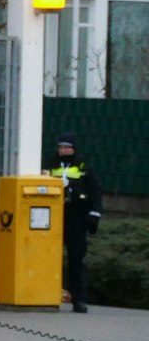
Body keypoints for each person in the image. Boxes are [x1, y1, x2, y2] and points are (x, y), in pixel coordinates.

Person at [50, 131, 104, 314]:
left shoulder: (83, 166)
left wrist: (94, 214)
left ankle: (79, 299)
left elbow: (95, 191)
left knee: (76, 259)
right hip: (55, 216)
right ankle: (48, 295)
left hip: (77, 216)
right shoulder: (51, 164)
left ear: (74, 149)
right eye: (60, 147)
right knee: (50, 256)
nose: (63, 150)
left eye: (66, 147)